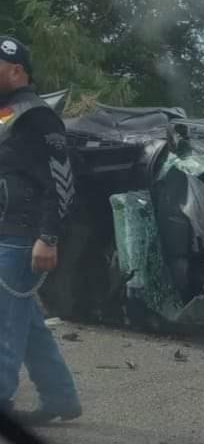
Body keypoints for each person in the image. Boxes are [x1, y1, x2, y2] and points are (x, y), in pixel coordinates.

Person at [0, 35, 81, 425]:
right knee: (27, 325)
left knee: (4, 325)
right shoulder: (6, 114)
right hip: (6, 232)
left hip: (23, 236)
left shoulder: (37, 116)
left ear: (16, 70)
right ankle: (60, 399)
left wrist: (48, 237)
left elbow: (61, 182)